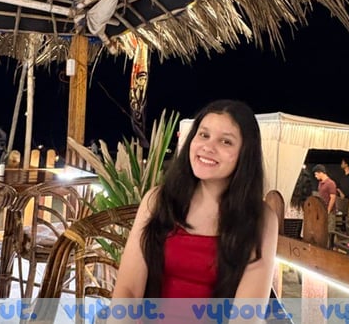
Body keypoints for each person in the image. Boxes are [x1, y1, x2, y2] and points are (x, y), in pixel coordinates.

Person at [112, 99, 278, 299]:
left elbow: (248, 312)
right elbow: (128, 290)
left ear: (246, 153)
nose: (208, 147)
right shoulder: (158, 200)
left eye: (226, 141)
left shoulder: (261, 219)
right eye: (204, 135)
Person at [312, 164, 338, 243]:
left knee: (329, 231)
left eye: (316, 174)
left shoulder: (331, 183)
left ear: (320, 172)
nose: (315, 176)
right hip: (321, 211)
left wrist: (328, 211)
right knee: (322, 231)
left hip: (329, 212)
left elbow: (333, 198)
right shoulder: (320, 183)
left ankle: (331, 246)